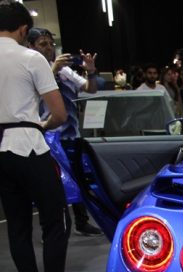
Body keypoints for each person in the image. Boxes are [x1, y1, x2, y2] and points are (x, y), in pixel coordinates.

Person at [0, 1, 94, 272]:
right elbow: (59, 114)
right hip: (29, 146)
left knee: (17, 225)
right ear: (23, 29)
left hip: (1, 151)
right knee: (56, 220)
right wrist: (40, 125)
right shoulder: (31, 58)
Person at [27, 27, 103, 237]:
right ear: (30, 46)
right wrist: (52, 69)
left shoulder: (64, 71)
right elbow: (32, 95)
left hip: (71, 135)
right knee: (50, 185)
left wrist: (91, 71)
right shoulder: (30, 70)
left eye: (51, 44)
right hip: (47, 136)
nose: (49, 48)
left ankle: (81, 221)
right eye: (43, 44)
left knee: (78, 177)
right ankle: (50, 228)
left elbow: (91, 89)